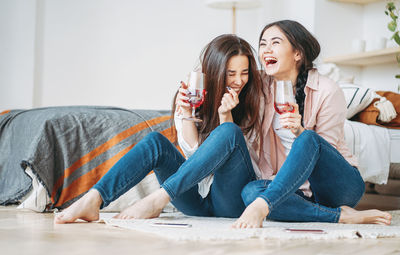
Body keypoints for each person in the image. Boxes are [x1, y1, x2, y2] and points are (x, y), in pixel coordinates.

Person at [54, 34, 263, 223]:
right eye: (231, 73)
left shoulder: (255, 101)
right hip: (195, 200)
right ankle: (94, 198)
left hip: (231, 202)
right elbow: (196, 157)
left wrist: (225, 116)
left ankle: (158, 199)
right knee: (155, 142)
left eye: (244, 73)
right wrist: (187, 114)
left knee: (229, 132)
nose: (238, 81)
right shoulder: (194, 96)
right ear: (215, 73)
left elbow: (237, 157)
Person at [232, 20, 392, 228]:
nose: (266, 49)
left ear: (297, 53)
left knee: (307, 138)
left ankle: (263, 206)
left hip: (337, 186)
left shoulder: (327, 89)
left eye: (275, 42)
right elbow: (229, 77)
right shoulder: (259, 87)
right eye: (262, 44)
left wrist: (299, 131)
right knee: (250, 192)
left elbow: (322, 151)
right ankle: (340, 216)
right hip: (294, 188)